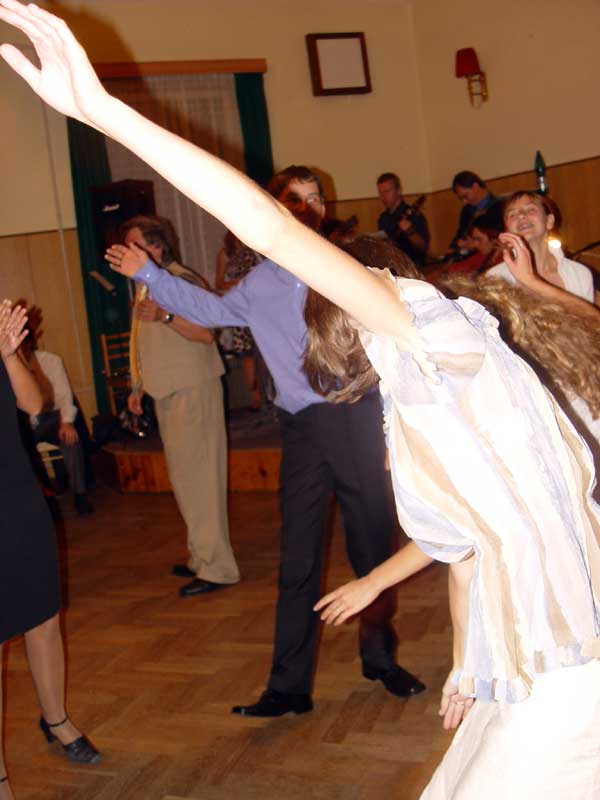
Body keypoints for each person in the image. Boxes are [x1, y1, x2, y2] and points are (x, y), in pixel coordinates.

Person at [4, 8, 599, 796]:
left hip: (566, 660)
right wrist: (465, 660)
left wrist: (104, 111)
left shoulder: (442, 343)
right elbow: (467, 543)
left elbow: (270, 229)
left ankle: (391, 665)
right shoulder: (458, 385)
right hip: (523, 652)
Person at [117, 165, 426, 716]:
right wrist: (150, 274)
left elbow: (394, 331)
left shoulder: (347, 266)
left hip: (356, 420)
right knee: (297, 559)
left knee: (371, 551)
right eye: (296, 198)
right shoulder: (259, 283)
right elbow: (211, 311)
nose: (308, 206)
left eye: (316, 197)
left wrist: (396, 421)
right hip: (303, 430)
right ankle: (288, 688)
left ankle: (380, 660)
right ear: (278, 208)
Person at [0, 300, 101, 800]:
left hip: (15, 496)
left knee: (42, 618)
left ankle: (56, 718)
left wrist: (8, 354)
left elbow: (34, 405)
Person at [120, 214, 240, 598]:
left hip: (193, 390)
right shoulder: (145, 284)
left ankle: (217, 568)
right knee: (186, 481)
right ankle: (200, 556)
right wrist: (137, 385)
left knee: (201, 481)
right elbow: (141, 339)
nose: (127, 251)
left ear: (157, 247)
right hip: (168, 392)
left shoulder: (181, 281)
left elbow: (206, 334)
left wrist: (165, 315)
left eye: (135, 244)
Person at [20, 330, 94, 515]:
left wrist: (66, 422)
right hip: (24, 423)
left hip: (50, 417)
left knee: (70, 437)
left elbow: (64, 395)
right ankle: (39, 496)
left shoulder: (50, 361)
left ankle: (80, 493)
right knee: (18, 447)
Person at [487, 190, 595, 305]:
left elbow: (588, 316)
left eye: (530, 210)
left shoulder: (579, 274)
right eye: (512, 215)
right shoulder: (495, 278)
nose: (521, 216)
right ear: (507, 230)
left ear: (549, 221)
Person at [215, 231, 262, 410]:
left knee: (266, 351)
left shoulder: (257, 247)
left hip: (260, 306)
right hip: (241, 308)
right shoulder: (225, 253)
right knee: (247, 355)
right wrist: (238, 283)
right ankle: (256, 399)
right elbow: (219, 283)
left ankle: (272, 395)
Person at [376, 172, 429, 267]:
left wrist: (409, 231)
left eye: (387, 191)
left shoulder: (414, 215)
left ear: (399, 191)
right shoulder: (383, 218)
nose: (383, 197)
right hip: (391, 266)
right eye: (380, 192)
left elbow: (423, 247)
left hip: (412, 267)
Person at [449, 170, 498, 256]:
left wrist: (475, 244)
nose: (464, 201)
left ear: (475, 186)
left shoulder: (498, 207)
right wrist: (459, 244)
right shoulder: (466, 210)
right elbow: (459, 236)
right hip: (468, 257)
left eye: (465, 196)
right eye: (461, 199)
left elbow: (498, 240)